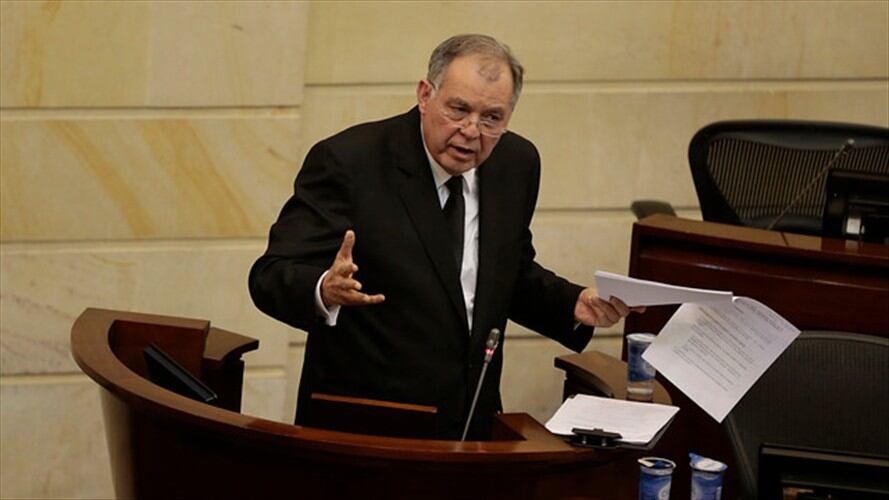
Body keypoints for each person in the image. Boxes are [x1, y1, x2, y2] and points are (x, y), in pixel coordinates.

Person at [249, 34, 642, 439]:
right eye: (458, 109)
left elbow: (505, 271)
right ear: (425, 95)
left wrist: (572, 303)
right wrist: (323, 289)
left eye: (492, 117)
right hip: (368, 427)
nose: (472, 130)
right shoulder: (350, 162)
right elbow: (270, 274)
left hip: (471, 421)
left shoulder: (515, 164)